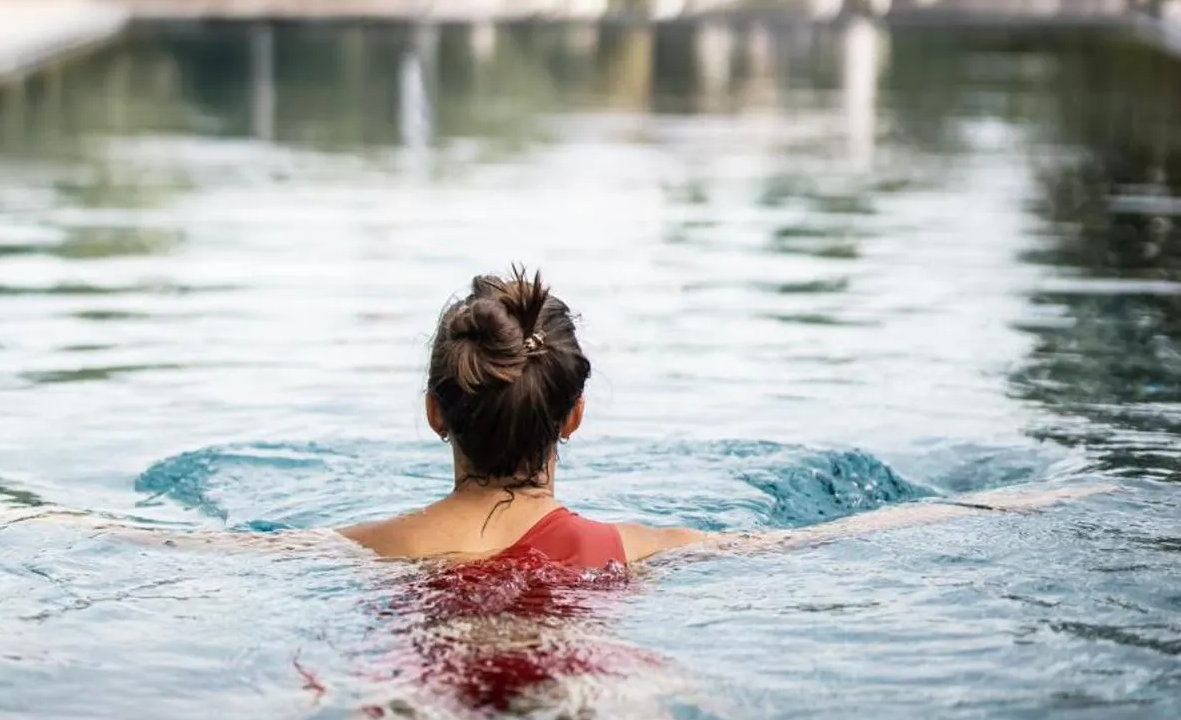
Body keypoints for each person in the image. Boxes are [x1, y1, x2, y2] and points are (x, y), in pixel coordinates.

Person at [337, 266, 1105, 570]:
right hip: (586, 689)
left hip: (423, 695)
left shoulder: (368, 548)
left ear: (437, 411)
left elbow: (219, 552)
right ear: (573, 416)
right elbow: (831, 537)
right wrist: (1025, 498)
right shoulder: (633, 550)